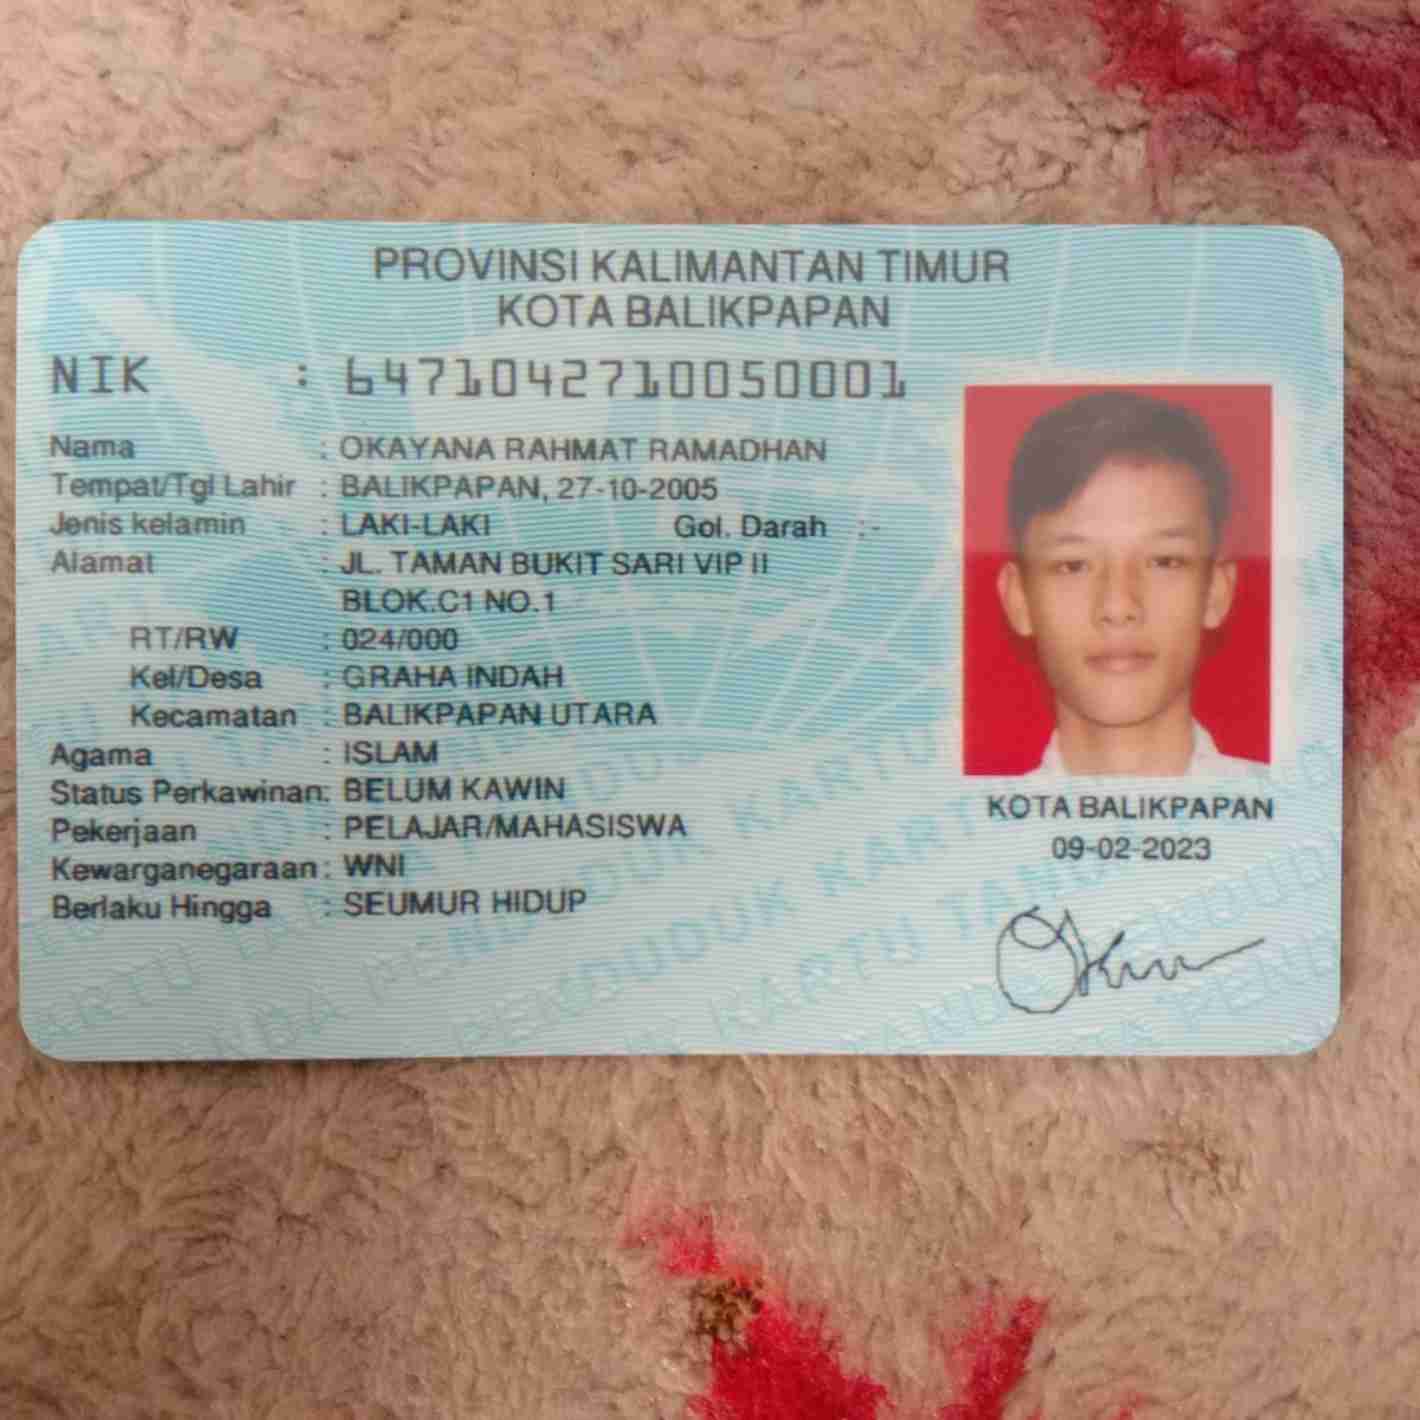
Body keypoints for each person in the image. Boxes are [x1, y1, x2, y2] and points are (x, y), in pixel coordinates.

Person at [995, 390, 1262, 776]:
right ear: (1019, 599)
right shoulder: (971, 813)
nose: (1118, 607)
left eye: (1164, 561)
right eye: (1073, 565)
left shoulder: (1291, 806)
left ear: (1216, 592)